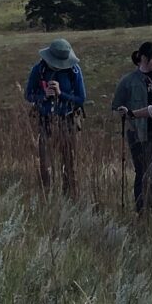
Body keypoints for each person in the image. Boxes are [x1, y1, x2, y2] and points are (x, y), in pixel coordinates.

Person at [110, 41, 152, 212]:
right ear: (143, 58)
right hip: (140, 134)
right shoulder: (128, 81)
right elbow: (116, 106)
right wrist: (124, 113)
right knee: (143, 172)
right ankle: (143, 211)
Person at [25, 38, 85, 193]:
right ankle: (46, 194)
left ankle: (70, 194)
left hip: (68, 120)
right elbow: (28, 95)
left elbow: (81, 99)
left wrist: (61, 94)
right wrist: (43, 95)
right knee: (44, 162)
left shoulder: (74, 71)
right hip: (45, 121)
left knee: (69, 162)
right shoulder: (38, 70)